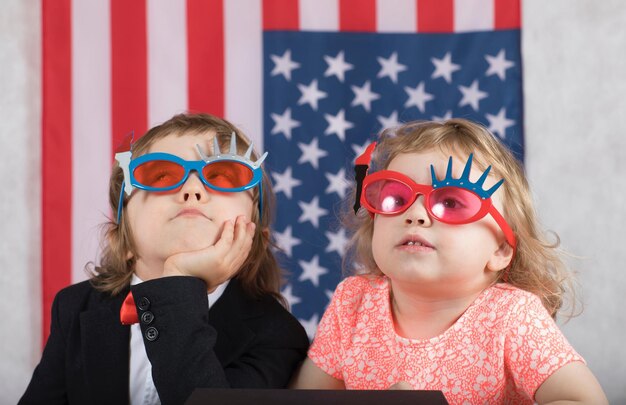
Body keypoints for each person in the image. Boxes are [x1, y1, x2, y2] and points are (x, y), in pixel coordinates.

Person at [291, 119, 608, 404]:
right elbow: (304, 399)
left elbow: (584, 400)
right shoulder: (354, 303)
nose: (414, 214)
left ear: (500, 248)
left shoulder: (511, 315)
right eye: (395, 198)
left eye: (452, 202)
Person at [21, 113, 309, 405]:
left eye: (223, 175)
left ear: (254, 238)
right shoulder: (74, 309)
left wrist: (178, 281)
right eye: (160, 175)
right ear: (123, 241)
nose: (192, 189)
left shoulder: (278, 334)